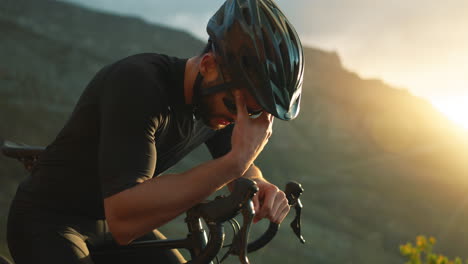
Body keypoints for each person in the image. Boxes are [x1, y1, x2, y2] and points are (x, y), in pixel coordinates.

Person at [6, 0, 304, 263]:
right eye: (238, 105)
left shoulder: (216, 106)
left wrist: (259, 184)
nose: (240, 118)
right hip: (49, 221)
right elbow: (124, 217)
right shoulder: (139, 84)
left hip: (106, 227)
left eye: (253, 112)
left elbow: (240, 164)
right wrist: (234, 164)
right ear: (209, 65)